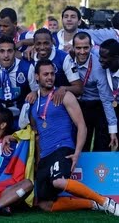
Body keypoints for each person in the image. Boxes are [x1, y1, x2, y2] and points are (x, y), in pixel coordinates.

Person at [27, 59, 118, 216]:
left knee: (58, 182)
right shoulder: (33, 102)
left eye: (52, 74)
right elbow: (37, 133)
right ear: (36, 77)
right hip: (45, 155)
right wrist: (38, 159)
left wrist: (77, 153)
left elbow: (82, 125)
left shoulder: (65, 96)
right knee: (44, 204)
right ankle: (93, 204)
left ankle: (106, 202)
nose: (50, 77)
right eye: (45, 74)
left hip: (62, 148)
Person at [73, 32, 117, 151]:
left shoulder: (99, 67)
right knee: (82, 144)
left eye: (86, 48)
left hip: (100, 105)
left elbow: (106, 100)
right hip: (80, 105)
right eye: (78, 48)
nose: (82, 51)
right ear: (73, 48)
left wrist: (112, 130)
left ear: (91, 47)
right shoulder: (67, 60)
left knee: (102, 145)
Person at [32, 28, 83, 102]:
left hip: (62, 103)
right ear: (34, 44)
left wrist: (64, 88)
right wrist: (34, 93)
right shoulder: (29, 58)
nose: (42, 47)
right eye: (38, 43)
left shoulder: (63, 58)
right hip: (41, 102)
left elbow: (79, 89)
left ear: (52, 42)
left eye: (46, 43)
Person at [99, 38, 119, 151]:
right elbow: (106, 101)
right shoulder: (101, 71)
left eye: (104, 57)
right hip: (109, 108)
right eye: (100, 56)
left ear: (116, 58)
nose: (100, 60)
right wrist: (112, 131)